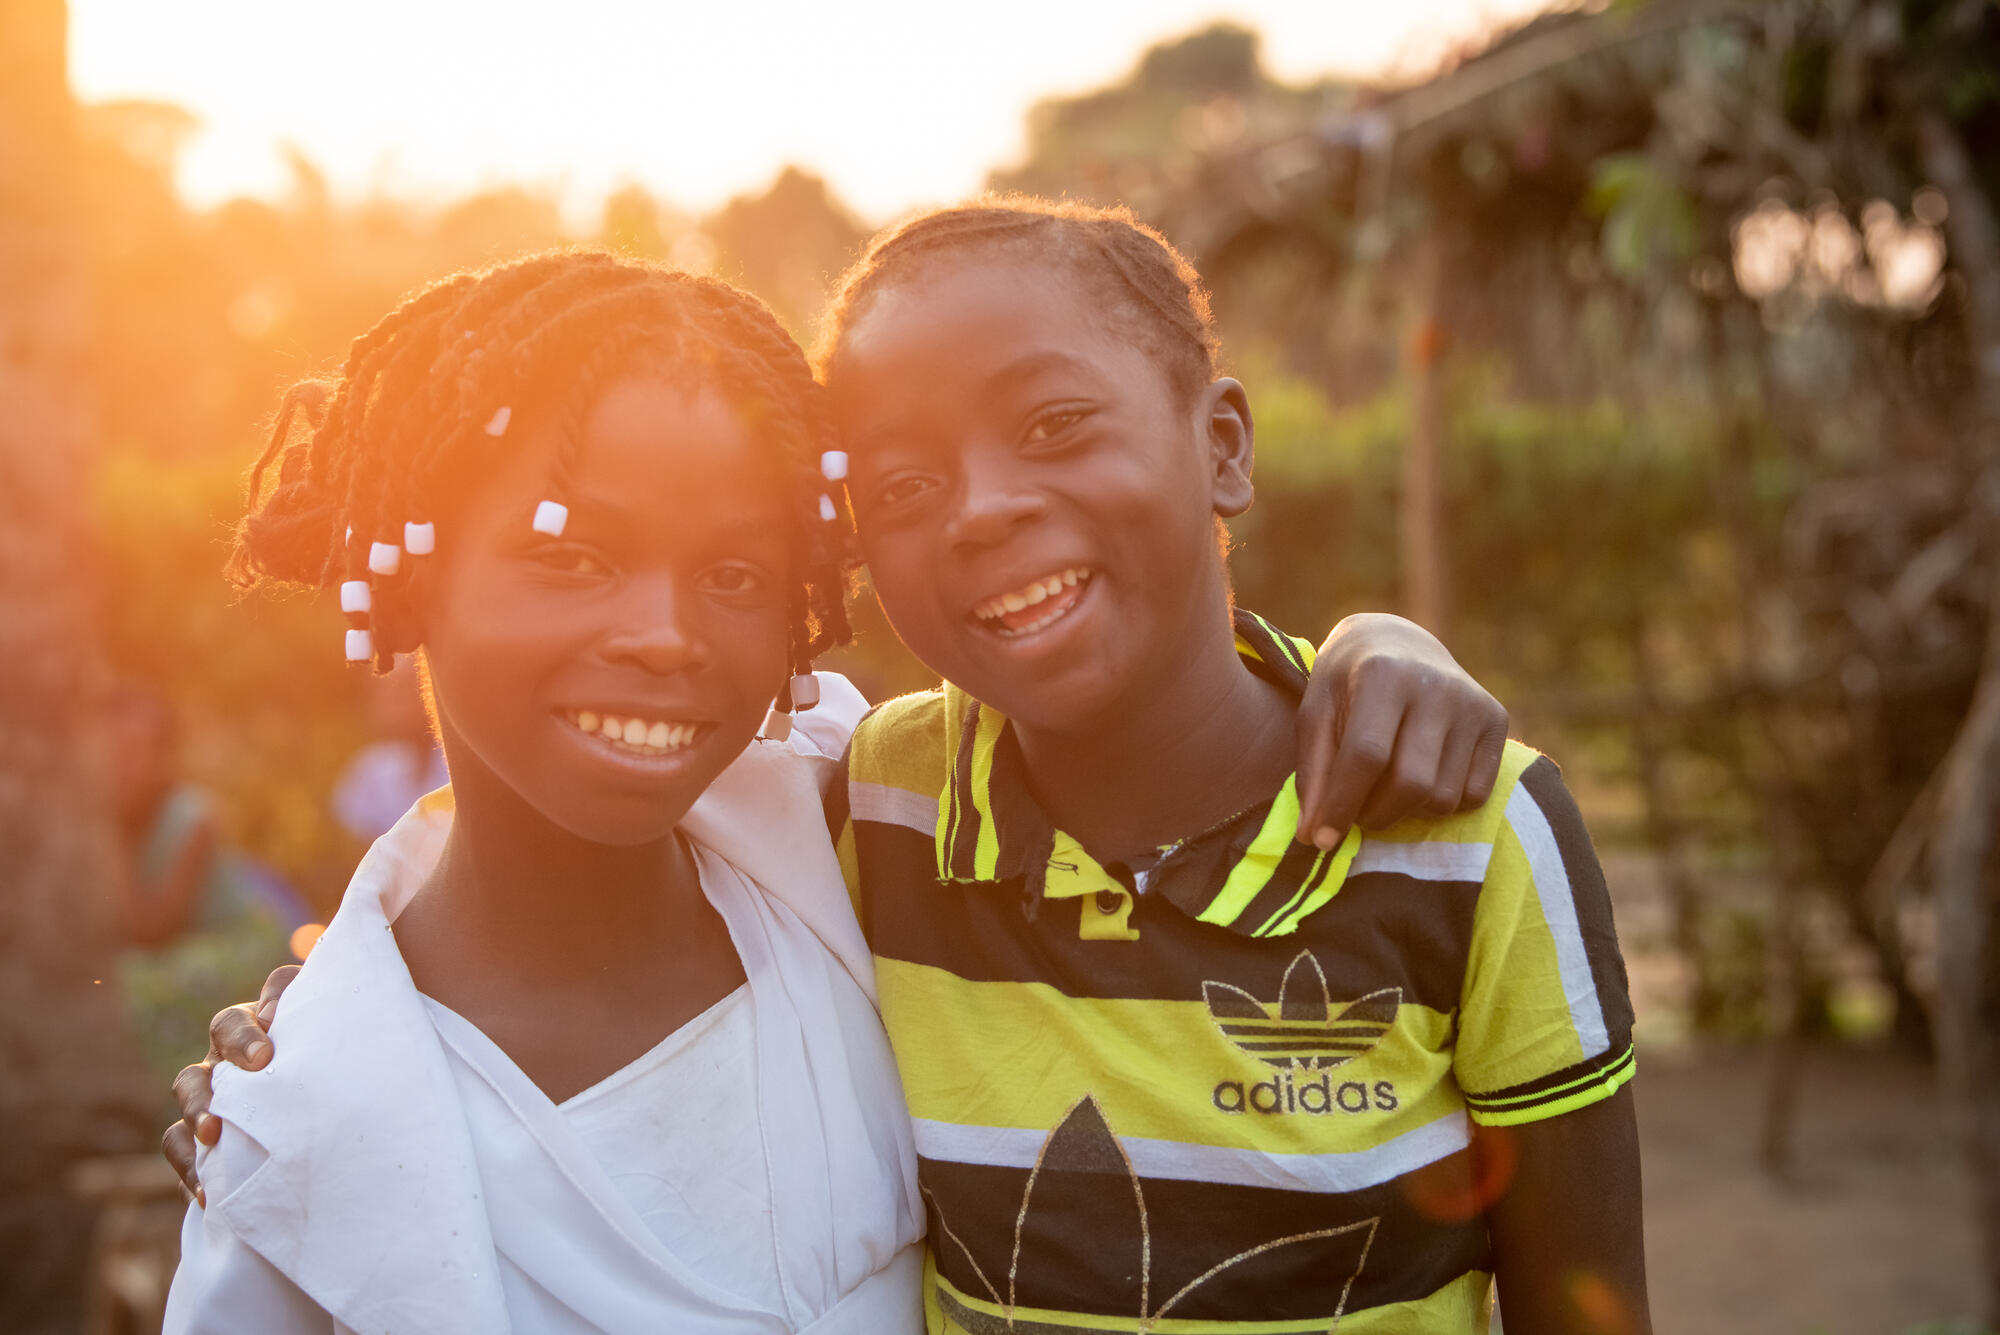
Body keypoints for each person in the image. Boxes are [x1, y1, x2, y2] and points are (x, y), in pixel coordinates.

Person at [161, 247, 1507, 1335]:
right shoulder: (305, 1128)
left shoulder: (851, 826)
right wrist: (294, 1086)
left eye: (738, 574)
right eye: (574, 557)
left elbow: (1140, 709)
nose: (667, 632)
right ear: (411, 574)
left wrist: (1377, 645)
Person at [811, 199, 1648, 1334]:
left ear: (1221, 446)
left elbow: (1585, 1308)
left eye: (1053, 423)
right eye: (902, 485)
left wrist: (1379, 635)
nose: (983, 509)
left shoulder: (1472, 835)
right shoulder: (869, 813)